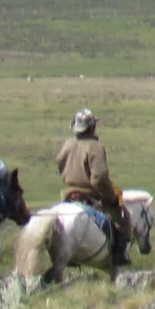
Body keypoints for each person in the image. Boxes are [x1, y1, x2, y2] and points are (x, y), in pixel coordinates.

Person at [55, 109, 129, 267]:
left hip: (69, 193)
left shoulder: (68, 144)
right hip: (90, 194)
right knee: (122, 217)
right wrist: (112, 196)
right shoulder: (95, 147)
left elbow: (60, 163)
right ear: (92, 127)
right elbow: (99, 178)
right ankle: (119, 255)